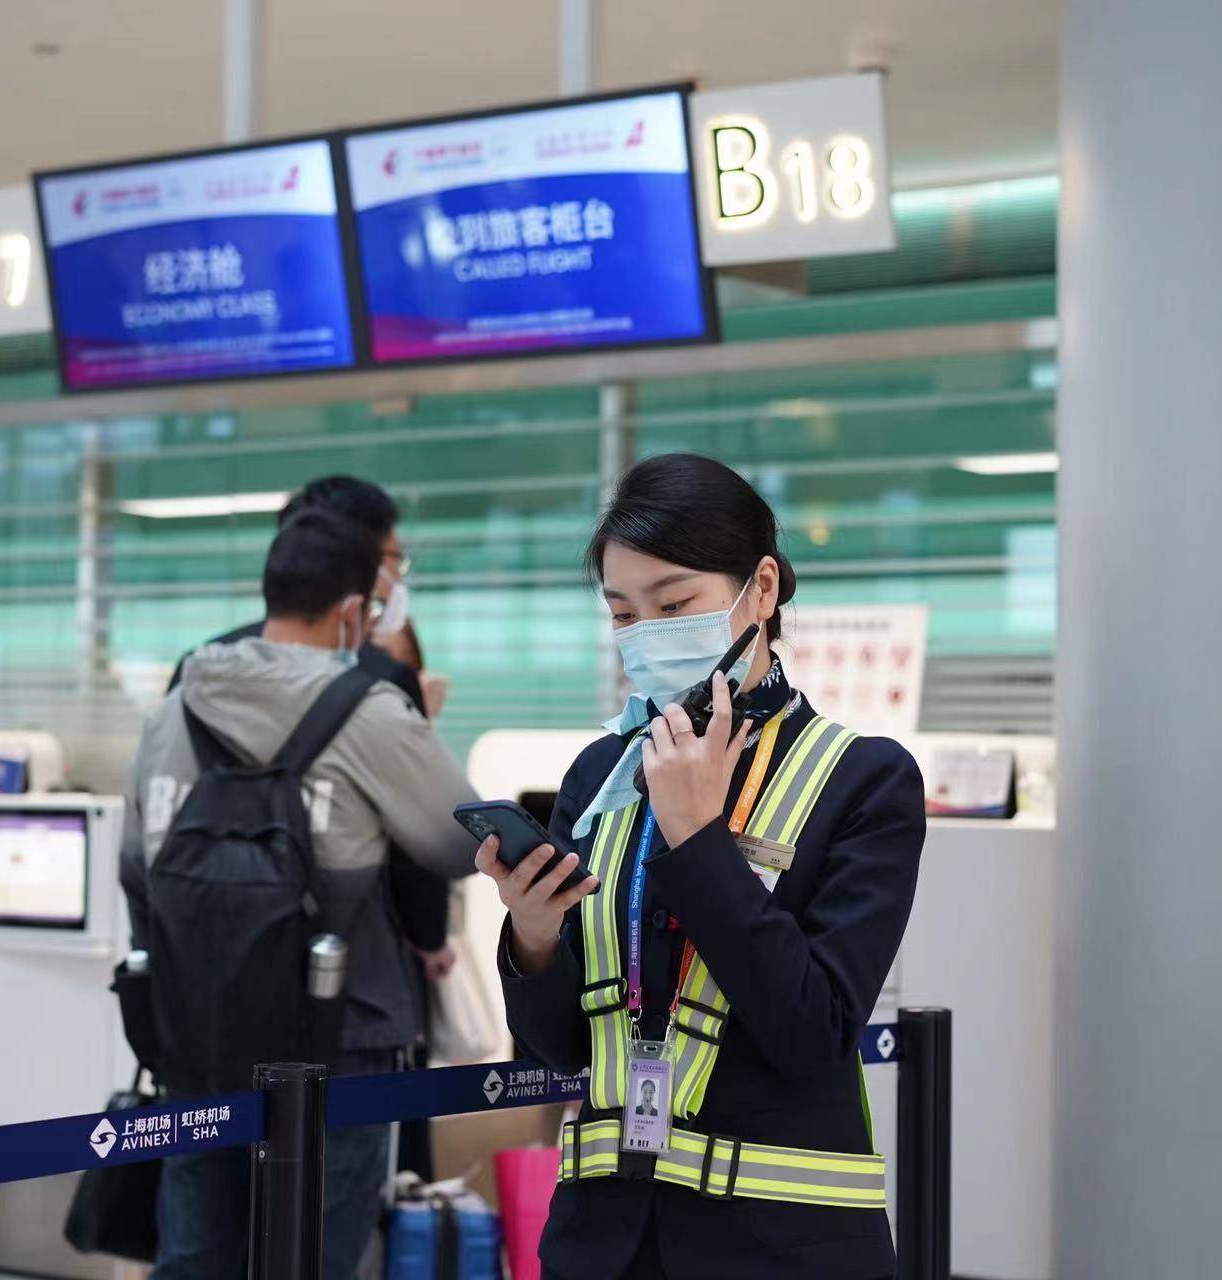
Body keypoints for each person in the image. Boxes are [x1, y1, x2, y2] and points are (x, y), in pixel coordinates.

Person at [480, 454, 926, 1280]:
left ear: (762, 589)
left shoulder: (864, 780)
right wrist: (534, 938)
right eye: (623, 613)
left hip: (780, 1250)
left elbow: (815, 1032)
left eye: (675, 604)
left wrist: (698, 837)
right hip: (602, 1245)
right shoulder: (601, 775)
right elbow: (565, 1050)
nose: (645, 634)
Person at [124, 508, 481, 1280]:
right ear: (353, 611)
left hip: (197, 1028)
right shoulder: (372, 710)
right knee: (315, 1256)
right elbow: (458, 845)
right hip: (341, 1033)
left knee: (195, 1255)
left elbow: (134, 870)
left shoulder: (176, 706)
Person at [170, 477, 456, 983]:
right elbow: (426, 845)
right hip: (348, 962)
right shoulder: (377, 680)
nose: (396, 575)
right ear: (362, 558)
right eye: (394, 558)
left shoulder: (198, 669)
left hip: (203, 962)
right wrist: (429, 936)